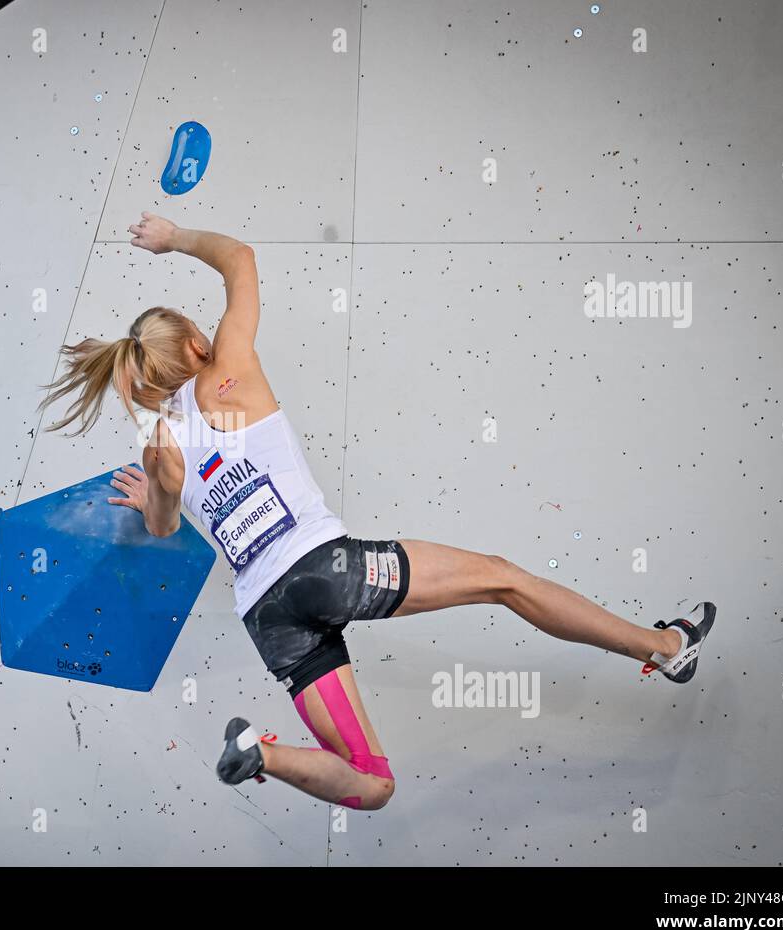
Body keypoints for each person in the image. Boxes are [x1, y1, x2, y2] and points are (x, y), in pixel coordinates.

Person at [38, 212, 715, 811]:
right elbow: (240, 259)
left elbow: (160, 526)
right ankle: (666, 648)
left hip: (268, 619)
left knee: (373, 782)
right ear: (193, 346)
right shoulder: (226, 372)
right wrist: (173, 238)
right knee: (504, 579)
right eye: (198, 332)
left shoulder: (160, 446)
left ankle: (262, 755)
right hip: (325, 568)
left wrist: (152, 490)